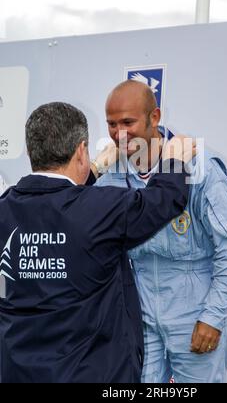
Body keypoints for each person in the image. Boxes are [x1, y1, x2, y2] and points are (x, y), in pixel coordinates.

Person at [0, 101, 194, 383]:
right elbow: (161, 201)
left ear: (31, 152)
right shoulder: (101, 209)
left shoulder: (4, 209)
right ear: (81, 150)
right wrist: (175, 161)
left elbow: (63, 208)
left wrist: (91, 169)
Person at [96, 80, 227, 383]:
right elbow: (77, 220)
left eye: (128, 122)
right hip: (139, 315)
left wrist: (212, 316)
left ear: (155, 117)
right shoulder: (110, 174)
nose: (119, 133)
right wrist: (93, 173)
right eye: (112, 124)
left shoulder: (198, 167)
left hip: (194, 313)